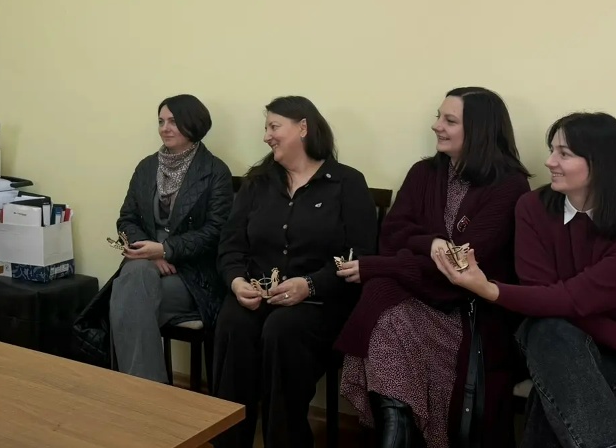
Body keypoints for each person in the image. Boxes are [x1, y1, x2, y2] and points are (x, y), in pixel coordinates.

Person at [432, 112, 616, 448]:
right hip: (566, 342)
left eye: (564, 154)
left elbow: (567, 300)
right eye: (552, 150)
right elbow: (544, 297)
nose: (549, 161)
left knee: (549, 396)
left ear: (602, 164)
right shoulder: (533, 207)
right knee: (550, 331)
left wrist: (489, 290)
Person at [333, 87, 531, 448]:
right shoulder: (424, 172)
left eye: (449, 120)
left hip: (470, 308)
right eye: (439, 117)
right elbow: (393, 233)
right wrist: (432, 244)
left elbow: (463, 267)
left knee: (387, 313)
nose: (436, 125)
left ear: (479, 130)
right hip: (417, 294)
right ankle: (397, 433)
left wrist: (381, 266)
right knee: (385, 309)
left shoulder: (509, 185)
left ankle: (397, 436)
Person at [211, 96, 379, 448]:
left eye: (274, 127)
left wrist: (310, 285)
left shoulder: (347, 183)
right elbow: (230, 245)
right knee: (233, 322)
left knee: (282, 329)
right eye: (266, 128)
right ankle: (228, 442)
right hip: (259, 295)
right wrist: (237, 281)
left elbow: (361, 255)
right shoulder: (258, 182)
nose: (266, 136)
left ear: (303, 127)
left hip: (321, 302)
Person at [108, 94, 234, 383]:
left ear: (193, 123)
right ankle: (149, 395)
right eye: (161, 121)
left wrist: (166, 250)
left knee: (125, 300)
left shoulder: (215, 171)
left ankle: (138, 394)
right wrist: (151, 255)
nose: (165, 128)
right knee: (135, 280)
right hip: (146, 266)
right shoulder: (146, 167)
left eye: (173, 121)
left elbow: (216, 232)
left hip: (192, 274)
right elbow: (127, 219)